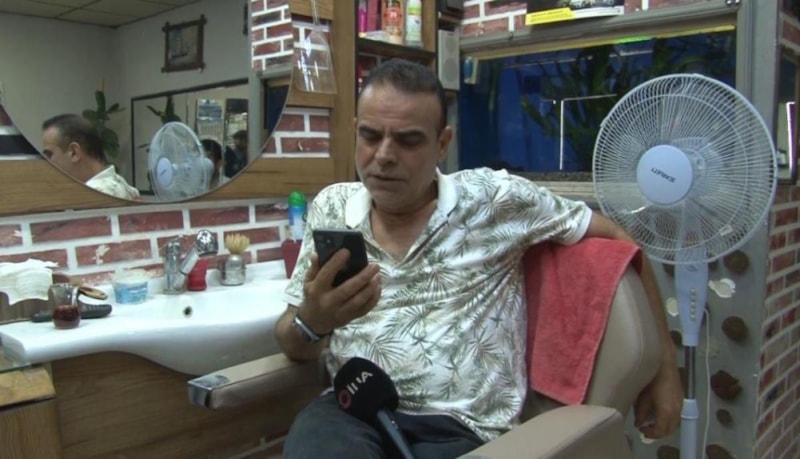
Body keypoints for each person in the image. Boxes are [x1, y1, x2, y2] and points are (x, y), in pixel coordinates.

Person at [275, 59, 682, 459]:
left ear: (442, 144)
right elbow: (292, 339)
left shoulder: (494, 200)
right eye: (370, 135)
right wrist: (312, 322)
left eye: (408, 140)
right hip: (353, 408)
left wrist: (665, 370)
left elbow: (618, 239)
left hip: (461, 428)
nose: (383, 155)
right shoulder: (332, 207)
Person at [42, 114, 139, 200]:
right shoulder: (121, 186)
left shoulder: (97, 196)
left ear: (74, 152)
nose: (46, 163)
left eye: (49, 154)